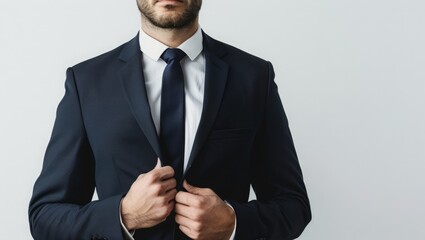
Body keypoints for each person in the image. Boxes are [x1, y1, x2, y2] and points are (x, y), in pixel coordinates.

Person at [29, 0, 311, 239]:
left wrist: (233, 222)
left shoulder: (253, 77)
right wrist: (124, 214)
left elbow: (294, 206)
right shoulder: (87, 82)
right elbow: (45, 216)